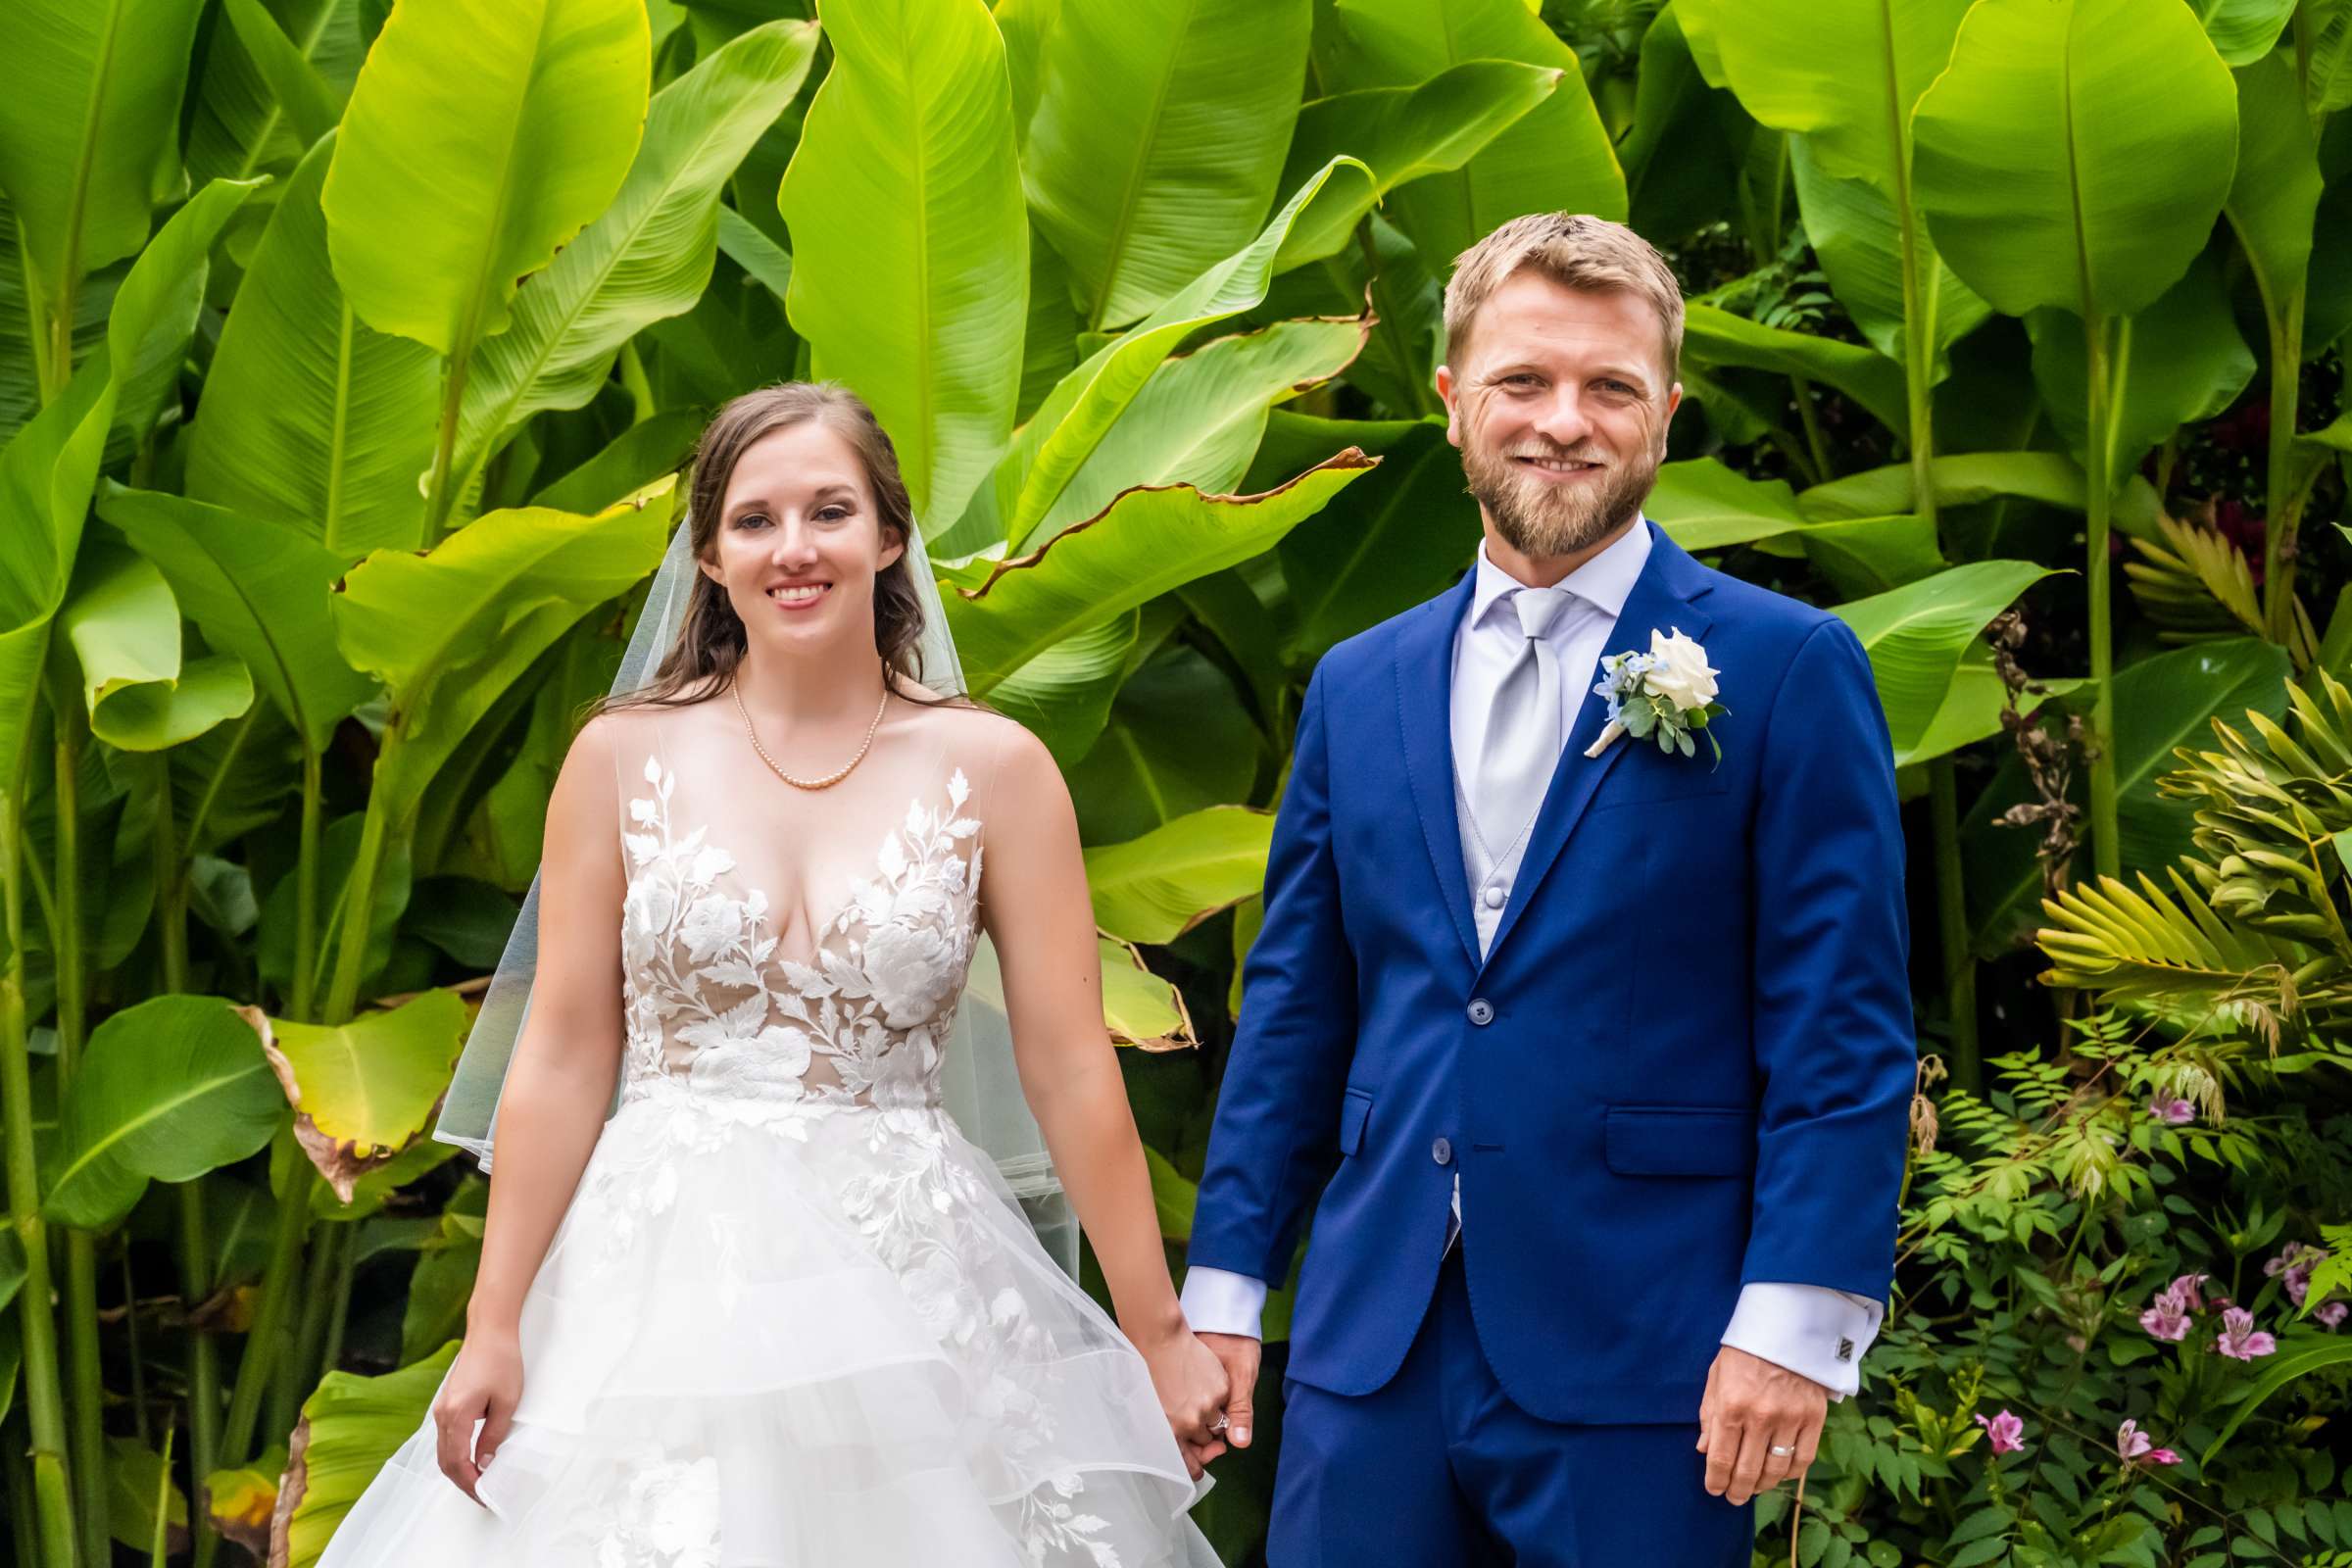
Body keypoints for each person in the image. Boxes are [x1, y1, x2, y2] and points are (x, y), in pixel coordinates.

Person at [318, 382, 1228, 1567]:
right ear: (708, 553)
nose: (793, 549)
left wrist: (1156, 1331)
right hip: (658, 1278)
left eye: (829, 511)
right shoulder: (618, 757)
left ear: (889, 536)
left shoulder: (996, 767)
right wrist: (493, 1323)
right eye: (755, 520)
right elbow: (562, 1053)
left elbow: (1066, 1062)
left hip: (912, 1277)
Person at [1180, 213, 1915, 1566]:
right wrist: (1223, 1290)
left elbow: (1842, 1030)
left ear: (1667, 414)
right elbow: (1294, 1010)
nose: (1562, 423)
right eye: (1523, 381)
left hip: (1653, 1356)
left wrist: (1792, 1323)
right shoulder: (1358, 683)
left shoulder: (1788, 668)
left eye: (1610, 387)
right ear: (1453, 402)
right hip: (1370, 1351)